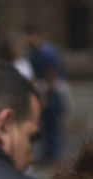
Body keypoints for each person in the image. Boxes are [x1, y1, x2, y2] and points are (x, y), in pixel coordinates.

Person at [22, 24, 68, 163]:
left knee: (53, 124)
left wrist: (47, 96)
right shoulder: (32, 53)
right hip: (41, 90)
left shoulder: (48, 52)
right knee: (45, 125)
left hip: (51, 92)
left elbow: (51, 76)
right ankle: (48, 153)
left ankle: (54, 154)